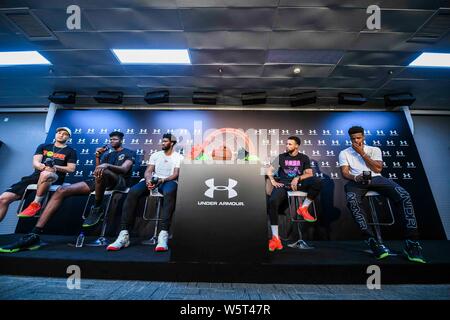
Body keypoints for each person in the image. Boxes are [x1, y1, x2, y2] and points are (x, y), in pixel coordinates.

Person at [0, 131, 135, 253]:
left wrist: (105, 165)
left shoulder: (129, 152)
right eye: (110, 139)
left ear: (121, 140)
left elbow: (123, 169)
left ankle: (97, 207)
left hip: (119, 182)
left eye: (115, 139)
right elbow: (98, 170)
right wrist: (98, 157)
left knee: (103, 171)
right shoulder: (107, 154)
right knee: (61, 190)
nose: (112, 141)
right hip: (100, 180)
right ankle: (35, 234)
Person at [339, 125, 425, 263]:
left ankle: (411, 242)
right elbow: (344, 172)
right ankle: (372, 240)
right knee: (352, 200)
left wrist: (362, 153)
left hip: (377, 178)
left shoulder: (374, 149)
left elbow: (378, 168)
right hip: (357, 180)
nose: (356, 140)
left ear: (364, 137)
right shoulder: (344, 152)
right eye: (353, 138)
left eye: (359, 137)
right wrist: (355, 177)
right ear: (350, 138)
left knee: (404, 195)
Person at [107, 133, 183, 252]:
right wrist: (148, 180)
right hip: (153, 179)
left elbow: (175, 174)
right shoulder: (155, 155)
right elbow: (148, 171)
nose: (162, 143)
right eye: (162, 141)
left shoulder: (178, 157)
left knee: (169, 192)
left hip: (168, 180)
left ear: (172, 143)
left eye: (165, 141)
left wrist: (162, 180)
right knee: (133, 191)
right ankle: (124, 234)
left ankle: (163, 234)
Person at [0, 127, 76, 222]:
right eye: (59, 132)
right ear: (56, 134)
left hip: (55, 177)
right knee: (3, 199)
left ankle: (36, 204)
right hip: (35, 177)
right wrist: (44, 167)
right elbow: (36, 163)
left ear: (68, 138)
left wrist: (55, 167)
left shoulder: (71, 151)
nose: (61, 135)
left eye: (64, 134)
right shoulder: (44, 146)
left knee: (46, 174)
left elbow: (71, 169)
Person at [266, 136, 322, 252]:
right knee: (272, 202)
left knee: (317, 181)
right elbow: (269, 171)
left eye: (290, 144)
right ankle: (275, 238)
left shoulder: (304, 158)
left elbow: (309, 173)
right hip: (283, 185)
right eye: (287, 144)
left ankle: (304, 208)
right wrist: (273, 181)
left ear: (297, 146)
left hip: (297, 184)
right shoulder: (281, 157)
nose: (287, 146)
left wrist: (298, 177)